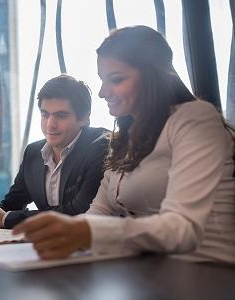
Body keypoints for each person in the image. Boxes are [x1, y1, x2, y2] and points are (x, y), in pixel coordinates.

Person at [13, 25, 235, 264]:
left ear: (154, 76)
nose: (102, 92)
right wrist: (56, 232)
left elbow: (182, 228)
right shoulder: (123, 138)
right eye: (102, 80)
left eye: (116, 80)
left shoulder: (194, 119)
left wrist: (87, 233)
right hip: (150, 269)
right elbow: (99, 213)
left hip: (209, 270)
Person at [0, 75, 109, 229]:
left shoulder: (101, 146)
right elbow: (12, 203)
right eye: (45, 114)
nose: (50, 125)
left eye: (61, 115)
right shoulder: (33, 152)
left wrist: (6, 219)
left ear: (84, 118)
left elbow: (78, 212)